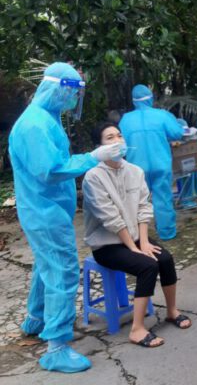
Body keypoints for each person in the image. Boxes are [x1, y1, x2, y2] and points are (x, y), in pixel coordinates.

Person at [9, 62, 123, 373]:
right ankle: (56, 347)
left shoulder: (46, 117)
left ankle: (35, 319)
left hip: (47, 209)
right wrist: (93, 157)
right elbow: (51, 170)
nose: (74, 100)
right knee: (63, 271)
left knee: (46, 265)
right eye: (72, 93)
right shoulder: (34, 125)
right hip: (44, 211)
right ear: (58, 89)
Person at [83, 122, 191, 348]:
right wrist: (134, 248)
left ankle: (171, 311)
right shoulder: (93, 178)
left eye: (119, 136)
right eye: (110, 138)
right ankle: (137, 329)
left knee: (165, 258)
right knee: (147, 265)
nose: (117, 141)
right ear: (99, 147)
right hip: (107, 244)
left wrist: (143, 241)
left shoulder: (135, 171)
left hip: (134, 236)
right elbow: (110, 218)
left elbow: (144, 207)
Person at [119, 85, 185, 240]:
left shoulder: (126, 120)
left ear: (134, 101)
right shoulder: (162, 115)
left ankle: (137, 236)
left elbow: (120, 143)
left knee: (136, 201)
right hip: (160, 163)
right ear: (150, 98)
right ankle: (167, 232)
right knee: (163, 198)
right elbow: (177, 133)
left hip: (136, 167)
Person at [175, 118, 197, 207]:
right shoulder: (173, 140)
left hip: (191, 163)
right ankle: (188, 199)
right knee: (188, 172)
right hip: (179, 165)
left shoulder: (191, 138)